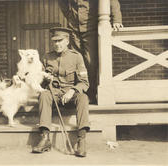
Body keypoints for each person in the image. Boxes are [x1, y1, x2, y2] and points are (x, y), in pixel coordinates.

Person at [32, 27, 90, 157]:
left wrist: (72, 91)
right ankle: (45, 138)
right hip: (54, 94)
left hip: (71, 95)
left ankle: (81, 140)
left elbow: (84, 83)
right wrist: (44, 78)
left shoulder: (76, 57)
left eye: (60, 41)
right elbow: (38, 79)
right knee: (44, 95)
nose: (57, 44)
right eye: (55, 41)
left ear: (67, 41)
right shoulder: (47, 57)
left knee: (83, 97)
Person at [58, 0, 123, 104]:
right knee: (75, 62)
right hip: (74, 28)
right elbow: (62, 2)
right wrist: (69, 14)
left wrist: (117, 19)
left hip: (91, 27)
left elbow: (112, 1)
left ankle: (91, 94)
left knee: (90, 63)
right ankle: (76, 94)